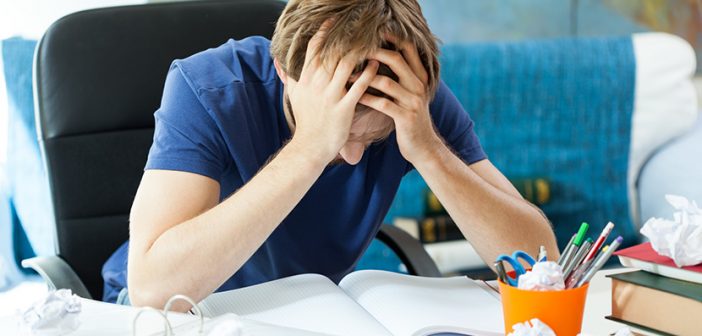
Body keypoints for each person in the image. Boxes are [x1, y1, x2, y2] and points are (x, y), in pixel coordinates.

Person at [102, 0, 558, 309]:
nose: (355, 158)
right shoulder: (209, 89)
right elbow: (153, 289)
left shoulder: (409, 100)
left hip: (306, 313)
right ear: (285, 71)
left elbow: (541, 263)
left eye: (373, 137)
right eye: (339, 135)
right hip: (180, 314)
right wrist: (308, 151)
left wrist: (428, 151)